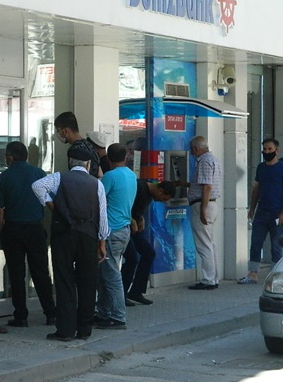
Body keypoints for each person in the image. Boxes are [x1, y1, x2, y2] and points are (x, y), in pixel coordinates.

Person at [33, 145, 109, 342]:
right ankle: (84, 329)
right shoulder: (96, 184)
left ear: (70, 162)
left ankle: (66, 330)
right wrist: (102, 241)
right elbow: (102, 215)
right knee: (87, 282)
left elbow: (37, 186)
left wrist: (52, 205)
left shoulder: (59, 178)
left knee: (64, 280)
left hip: (64, 235)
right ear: (88, 164)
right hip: (88, 236)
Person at [0, 140, 56, 327]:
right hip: (35, 228)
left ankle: (21, 316)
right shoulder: (39, 174)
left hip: (13, 228)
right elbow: (50, 202)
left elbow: (0, 210)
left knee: (16, 273)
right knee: (41, 272)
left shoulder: (4, 177)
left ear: (10, 157)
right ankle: (51, 313)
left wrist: (2, 231)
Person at [239, 138, 283, 282]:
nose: (267, 152)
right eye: (265, 149)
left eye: (270, 149)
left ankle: (274, 275)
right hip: (262, 212)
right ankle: (253, 273)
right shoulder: (261, 167)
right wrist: (252, 208)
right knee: (256, 243)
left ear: (276, 151)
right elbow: (256, 189)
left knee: (276, 245)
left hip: (277, 212)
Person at [95, 144, 137, 327]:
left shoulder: (110, 176)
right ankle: (104, 312)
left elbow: (97, 199)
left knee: (111, 275)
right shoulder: (131, 175)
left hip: (111, 231)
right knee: (105, 273)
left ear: (108, 159)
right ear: (126, 157)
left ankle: (118, 316)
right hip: (124, 229)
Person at [121, 177, 176, 306]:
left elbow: (137, 209)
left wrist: (140, 218)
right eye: (164, 198)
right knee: (132, 258)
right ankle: (121, 294)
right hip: (124, 226)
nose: (162, 201)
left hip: (134, 228)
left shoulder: (150, 194)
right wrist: (131, 219)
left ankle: (136, 291)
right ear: (160, 190)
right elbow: (124, 205)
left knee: (149, 253)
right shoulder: (139, 188)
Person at [187, 135, 222, 290]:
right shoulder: (214, 159)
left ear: (196, 148)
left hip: (203, 204)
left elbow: (207, 186)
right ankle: (213, 278)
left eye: (192, 150)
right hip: (211, 204)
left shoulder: (204, 161)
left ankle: (208, 280)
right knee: (210, 243)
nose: (191, 153)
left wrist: (202, 209)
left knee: (204, 245)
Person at [55, 111, 102, 178]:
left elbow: (75, 176)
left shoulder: (75, 150)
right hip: (94, 183)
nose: (58, 134)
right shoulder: (91, 145)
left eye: (58, 130)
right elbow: (99, 173)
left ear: (65, 131)